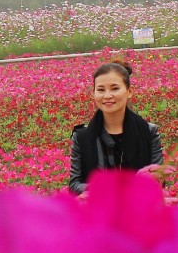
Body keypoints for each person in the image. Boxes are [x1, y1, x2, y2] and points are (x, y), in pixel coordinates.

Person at [67, 60, 163, 193]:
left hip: (139, 210)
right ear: (93, 93)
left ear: (129, 91)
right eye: (101, 90)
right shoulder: (82, 136)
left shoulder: (148, 131)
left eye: (115, 88)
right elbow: (74, 185)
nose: (107, 96)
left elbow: (158, 181)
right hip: (98, 210)